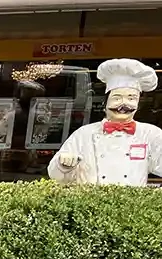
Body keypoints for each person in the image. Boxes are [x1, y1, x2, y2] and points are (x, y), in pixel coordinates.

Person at [48, 58, 162, 186]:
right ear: (104, 104)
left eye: (131, 98)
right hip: (91, 202)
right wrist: (63, 165)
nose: (124, 104)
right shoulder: (84, 134)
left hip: (133, 204)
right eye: (117, 98)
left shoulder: (151, 134)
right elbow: (55, 176)